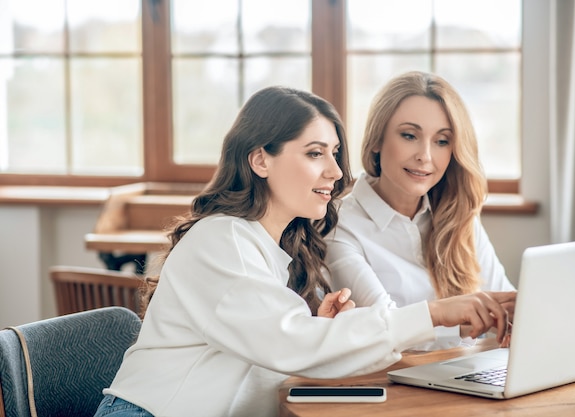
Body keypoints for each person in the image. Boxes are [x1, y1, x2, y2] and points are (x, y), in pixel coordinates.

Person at [93, 85, 516, 417]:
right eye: (314, 153)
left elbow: (280, 350)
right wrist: (436, 313)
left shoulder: (270, 251)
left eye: (333, 154)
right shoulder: (222, 240)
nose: (334, 172)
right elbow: (290, 344)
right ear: (261, 160)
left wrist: (322, 329)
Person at [325, 71, 516, 350]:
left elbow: (504, 301)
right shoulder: (339, 225)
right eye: (409, 135)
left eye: (441, 141)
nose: (425, 156)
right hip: (390, 386)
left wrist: (519, 314)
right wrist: (464, 322)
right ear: (377, 139)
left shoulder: (459, 215)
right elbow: (385, 330)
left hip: (461, 375)